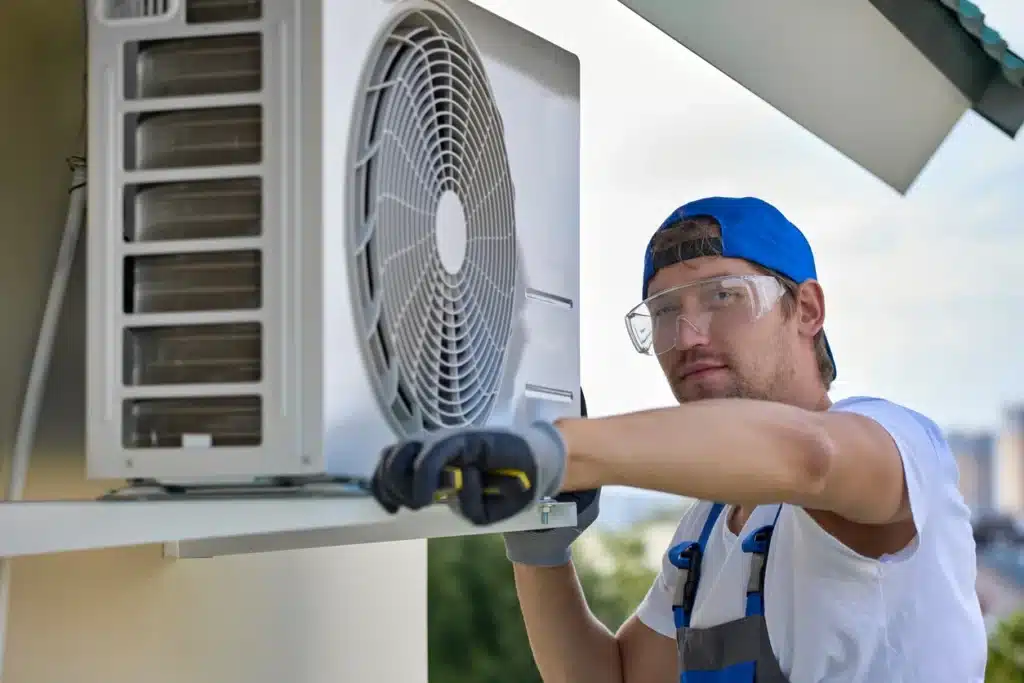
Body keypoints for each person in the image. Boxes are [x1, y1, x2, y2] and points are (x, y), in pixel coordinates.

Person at [370, 196, 987, 682]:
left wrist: (560, 451)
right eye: (664, 312)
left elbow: (810, 458)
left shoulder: (899, 444)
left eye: (723, 296)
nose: (687, 335)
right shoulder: (707, 528)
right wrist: (540, 550)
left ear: (806, 310)